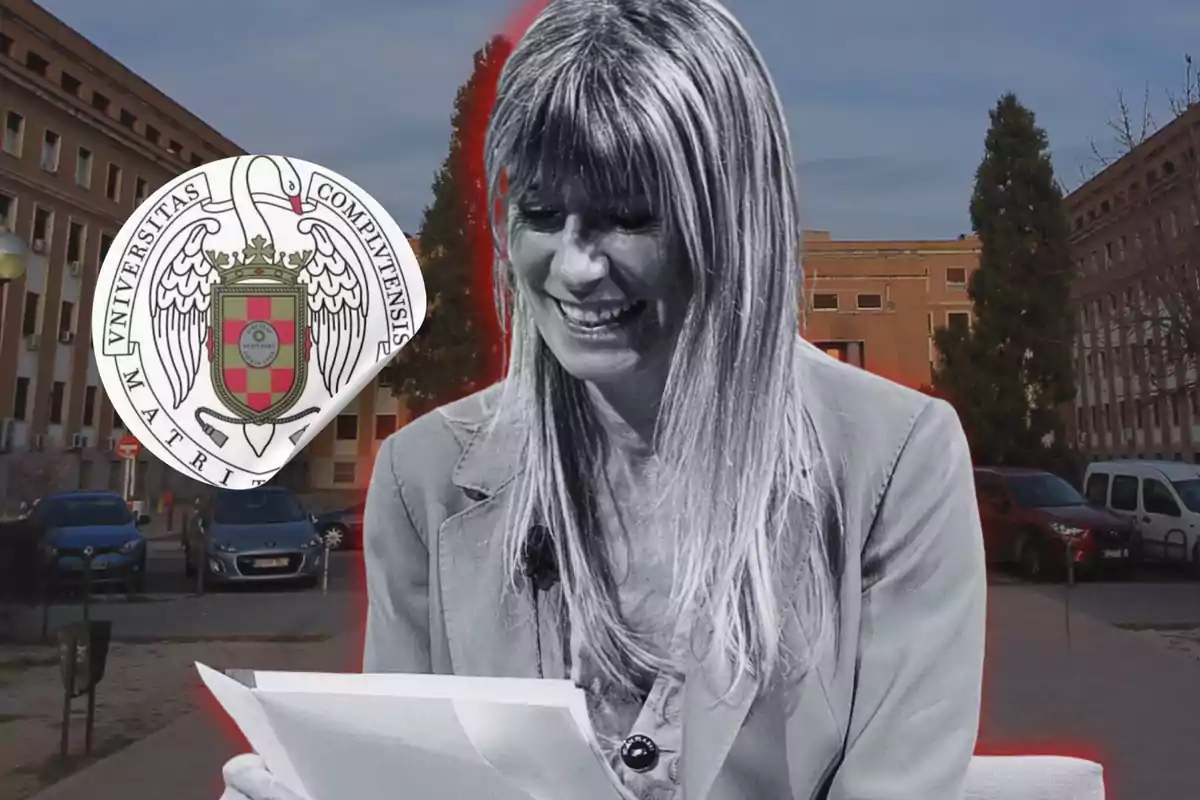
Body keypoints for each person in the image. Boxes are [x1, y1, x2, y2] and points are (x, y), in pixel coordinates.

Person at [221, 0, 986, 797]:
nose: (577, 267)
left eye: (628, 217)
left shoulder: (898, 461)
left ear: (733, 218)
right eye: (544, 214)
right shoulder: (427, 479)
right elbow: (407, 778)